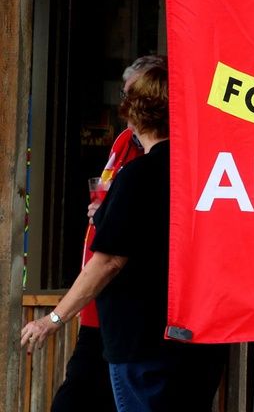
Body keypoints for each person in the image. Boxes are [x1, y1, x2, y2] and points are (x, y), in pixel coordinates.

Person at [20, 64, 227, 411]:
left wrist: (52, 319)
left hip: (143, 340)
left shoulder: (140, 174)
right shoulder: (205, 169)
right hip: (197, 334)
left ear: (135, 113)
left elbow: (110, 260)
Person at [45, 54, 160, 412]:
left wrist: (52, 318)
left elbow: (112, 258)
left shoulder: (152, 164)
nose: (126, 105)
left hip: (127, 313)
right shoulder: (124, 142)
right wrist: (105, 212)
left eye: (134, 97)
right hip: (102, 308)